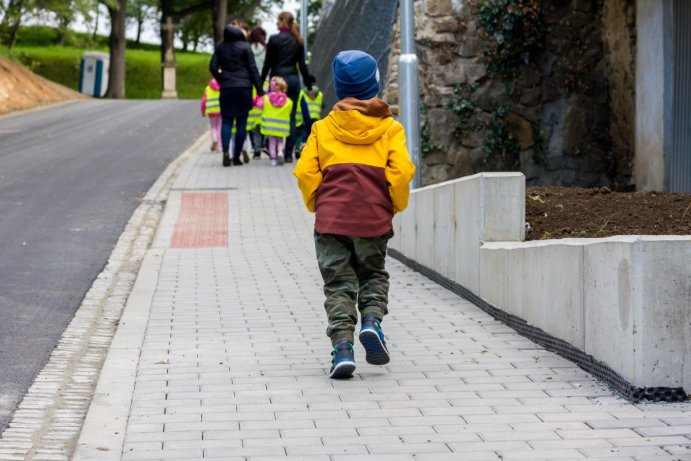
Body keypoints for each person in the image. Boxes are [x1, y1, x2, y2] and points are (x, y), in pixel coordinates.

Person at [293, 50, 416, 379]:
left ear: (338, 87)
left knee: (339, 285)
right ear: (374, 85)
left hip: (332, 221)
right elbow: (402, 173)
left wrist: (317, 204)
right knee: (373, 274)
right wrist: (393, 205)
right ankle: (372, 322)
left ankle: (343, 350)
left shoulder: (322, 129)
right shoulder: (390, 129)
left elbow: (305, 173)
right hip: (373, 220)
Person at [261, 11, 312, 163]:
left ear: (283, 21)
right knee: (291, 116)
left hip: (277, 81)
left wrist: (259, 83)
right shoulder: (298, 41)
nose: (276, 23)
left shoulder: (274, 39)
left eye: (278, 20)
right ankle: (288, 154)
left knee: (274, 115)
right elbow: (302, 66)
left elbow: (267, 64)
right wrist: (309, 85)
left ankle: (274, 151)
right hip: (293, 80)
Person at [209, 24, 263, 167]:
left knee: (226, 121)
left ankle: (226, 152)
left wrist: (222, 79)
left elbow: (213, 67)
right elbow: (253, 69)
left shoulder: (221, 47)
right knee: (241, 123)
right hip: (244, 88)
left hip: (227, 88)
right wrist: (259, 90)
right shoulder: (245, 47)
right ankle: (237, 156)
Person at [257, 76, 293, 166]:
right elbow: (290, 111)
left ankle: (273, 159)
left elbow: (259, 105)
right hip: (282, 127)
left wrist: (264, 93)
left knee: (272, 142)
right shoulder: (288, 101)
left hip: (270, 126)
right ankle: (280, 152)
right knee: (280, 141)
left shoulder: (266, 98)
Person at [248, 27, 267, 159]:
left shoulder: (247, 48)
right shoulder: (266, 49)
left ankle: (255, 148)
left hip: (250, 86)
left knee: (251, 119)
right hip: (264, 85)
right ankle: (263, 143)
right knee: (264, 117)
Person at [295, 76, 324, 157]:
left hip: (306, 117)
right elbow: (322, 105)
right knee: (314, 135)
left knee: (304, 134)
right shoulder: (320, 94)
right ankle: (314, 151)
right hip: (316, 117)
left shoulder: (303, 93)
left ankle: (300, 147)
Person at [200, 78, 222, 152]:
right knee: (219, 128)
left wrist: (203, 111)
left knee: (213, 127)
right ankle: (219, 146)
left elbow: (204, 101)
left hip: (211, 111)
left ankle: (214, 139)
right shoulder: (221, 88)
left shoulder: (208, 89)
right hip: (220, 111)